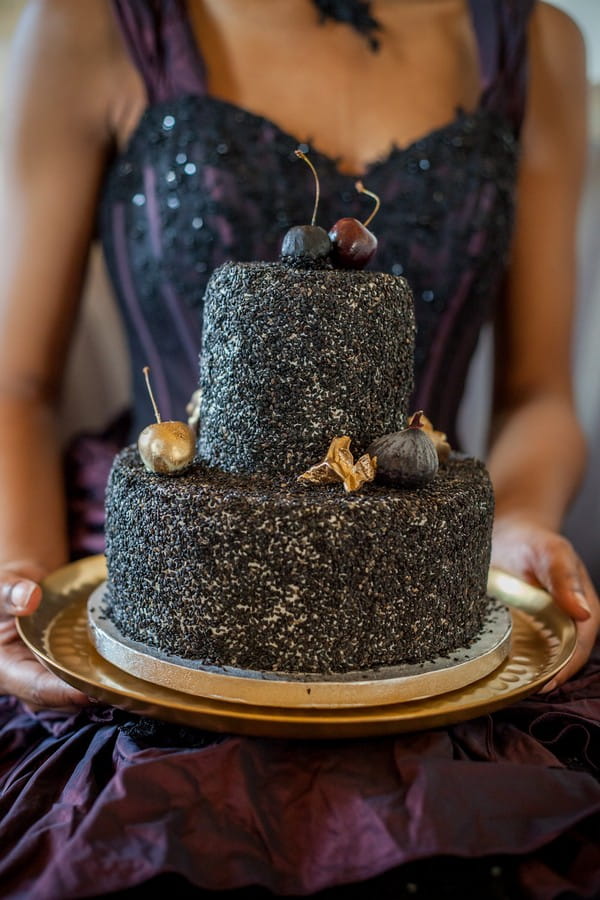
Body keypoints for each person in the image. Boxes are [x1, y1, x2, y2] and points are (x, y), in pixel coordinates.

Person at [0, 1, 598, 897]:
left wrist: (512, 526)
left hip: (418, 568)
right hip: (156, 563)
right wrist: (20, 572)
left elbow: (537, 394)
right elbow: (17, 382)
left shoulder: (534, 41)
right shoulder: (92, 19)